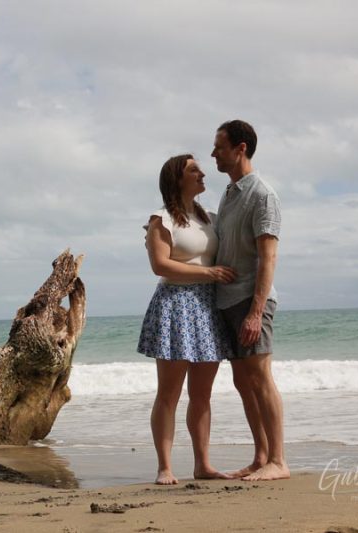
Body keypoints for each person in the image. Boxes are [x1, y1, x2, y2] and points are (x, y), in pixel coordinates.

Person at [137, 154, 236, 485]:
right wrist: (207, 272)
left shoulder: (209, 218)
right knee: (169, 393)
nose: (203, 173)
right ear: (178, 179)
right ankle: (164, 466)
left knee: (203, 393)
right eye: (195, 170)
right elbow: (160, 266)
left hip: (208, 307)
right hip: (176, 306)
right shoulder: (161, 220)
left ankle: (202, 464)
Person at [212, 119, 290, 481]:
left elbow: (268, 257)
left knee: (260, 378)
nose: (214, 153)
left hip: (250, 300)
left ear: (240, 148)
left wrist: (256, 311)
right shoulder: (228, 195)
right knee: (243, 383)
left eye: (220, 147)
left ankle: (279, 461)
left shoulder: (262, 194)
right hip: (227, 301)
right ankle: (261, 457)